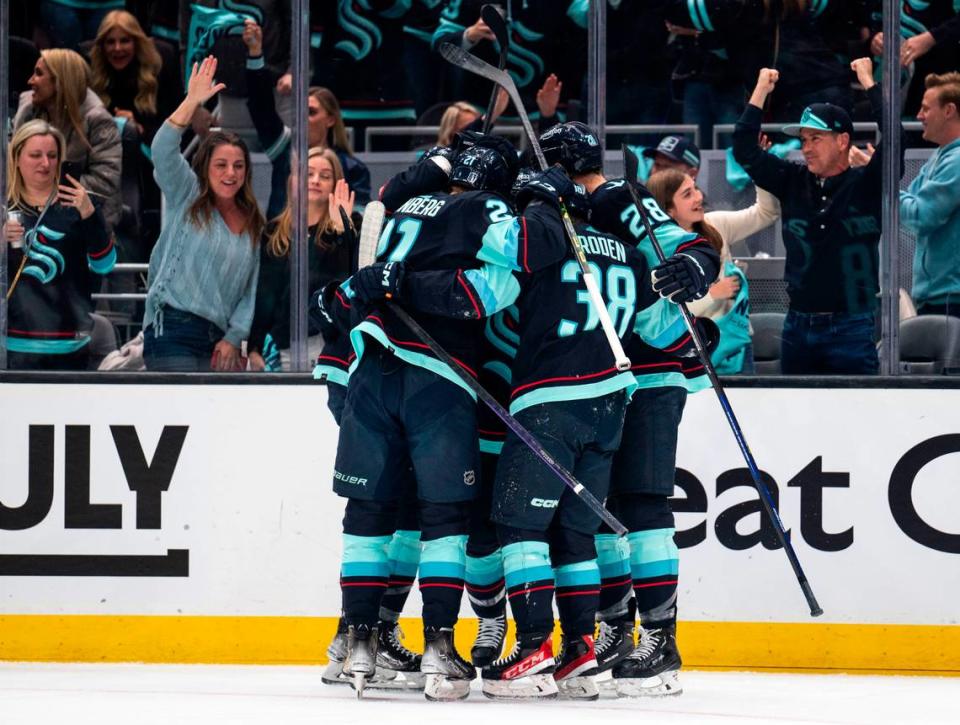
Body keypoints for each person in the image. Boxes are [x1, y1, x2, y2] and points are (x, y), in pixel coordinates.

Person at [319, 135, 523, 701]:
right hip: (438, 377)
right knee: (444, 516)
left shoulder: (407, 204)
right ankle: (439, 646)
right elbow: (495, 290)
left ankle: (358, 639)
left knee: (369, 510)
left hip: (372, 366)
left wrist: (396, 283)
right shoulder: (484, 207)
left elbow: (369, 273)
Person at [538, 121, 720, 698]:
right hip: (604, 379)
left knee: (640, 502)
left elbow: (686, 247)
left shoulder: (616, 197)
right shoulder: (559, 210)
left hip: (650, 372)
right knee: (601, 507)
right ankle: (618, 629)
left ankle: (661, 638)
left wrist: (696, 268)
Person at [733, 60, 904, 375]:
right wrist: (760, 91)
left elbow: (894, 139)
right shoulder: (792, 180)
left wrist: (869, 82)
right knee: (795, 420)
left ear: (842, 141)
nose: (806, 148)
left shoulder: (866, 184)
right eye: (803, 140)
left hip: (851, 327)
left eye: (816, 138)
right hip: (797, 325)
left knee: (859, 416)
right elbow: (744, 148)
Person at [142, 56, 263, 373]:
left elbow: (249, 292)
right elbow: (162, 149)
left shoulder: (251, 219)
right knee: (178, 418)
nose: (230, 173)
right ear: (205, 167)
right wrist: (191, 102)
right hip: (171, 330)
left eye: (238, 166)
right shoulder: (188, 192)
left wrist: (234, 338)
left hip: (220, 341)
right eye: (221, 165)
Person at [4, 120, 116, 371]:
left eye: (52, 156)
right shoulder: (5, 209)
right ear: (17, 157)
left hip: (70, 343)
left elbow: (105, 265)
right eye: (36, 155)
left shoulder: (78, 205)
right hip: (13, 344)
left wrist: (90, 214)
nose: (45, 164)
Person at [647, 167, 782, 374]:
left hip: (735, 348)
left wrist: (757, 166)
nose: (699, 197)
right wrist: (712, 295)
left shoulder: (715, 224)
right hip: (688, 350)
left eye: (696, 189)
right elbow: (661, 314)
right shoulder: (653, 247)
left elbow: (766, 213)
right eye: (687, 194)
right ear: (667, 209)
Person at [242, 20, 371, 218]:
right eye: (300, 112)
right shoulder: (285, 150)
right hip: (282, 245)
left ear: (330, 120)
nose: (303, 119)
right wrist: (255, 54)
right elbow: (261, 109)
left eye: (311, 112)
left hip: (328, 246)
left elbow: (359, 222)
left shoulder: (353, 169)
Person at [248, 148, 357, 372]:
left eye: (325, 176)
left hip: (329, 341)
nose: (316, 181)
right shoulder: (275, 230)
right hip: (283, 343)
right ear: (294, 180)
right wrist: (254, 345)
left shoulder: (352, 224)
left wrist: (338, 231)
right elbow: (266, 292)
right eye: (308, 174)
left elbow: (343, 282)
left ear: (336, 184)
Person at [14, 48, 122, 230]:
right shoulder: (28, 110)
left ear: (60, 81)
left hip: (88, 223)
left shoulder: (98, 121)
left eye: (38, 74)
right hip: (31, 216)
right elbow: (10, 167)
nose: (30, 81)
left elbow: (105, 182)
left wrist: (45, 186)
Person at [900, 72, 960, 318]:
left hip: (951, 298)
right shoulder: (939, 156)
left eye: (925, 109)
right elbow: (909, 206)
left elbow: (919, 215)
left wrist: (881, 185)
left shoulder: (957, 161)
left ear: (949, 110)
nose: (919, 116)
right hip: (937, 296)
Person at [87, 10, 180, 147]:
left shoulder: (160, 65)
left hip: (151, 152)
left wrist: (139, 129)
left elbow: (172, 126)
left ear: (137, 43)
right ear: (102, 46)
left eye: (124, 41)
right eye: (110, 42)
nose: (117, 48)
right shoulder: (91, 68)